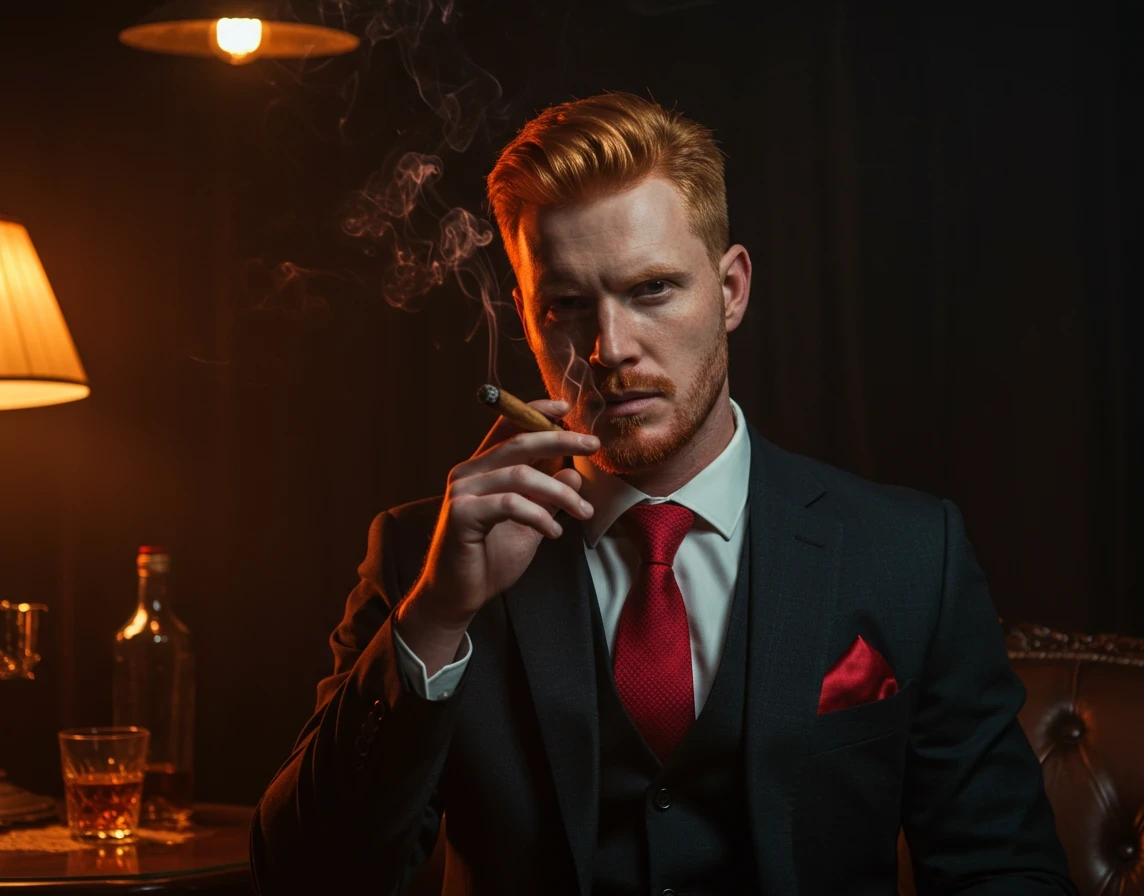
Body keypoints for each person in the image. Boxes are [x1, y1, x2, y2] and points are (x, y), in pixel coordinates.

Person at [250, 92, 1079, 896]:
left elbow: (1003, 870)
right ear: (527, 318)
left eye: (651, 289)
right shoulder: (422, 563)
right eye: (567, 305)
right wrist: (435, 618)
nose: (610, 348)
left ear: (732, 290)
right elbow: (306, 879)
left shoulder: (907, 554)